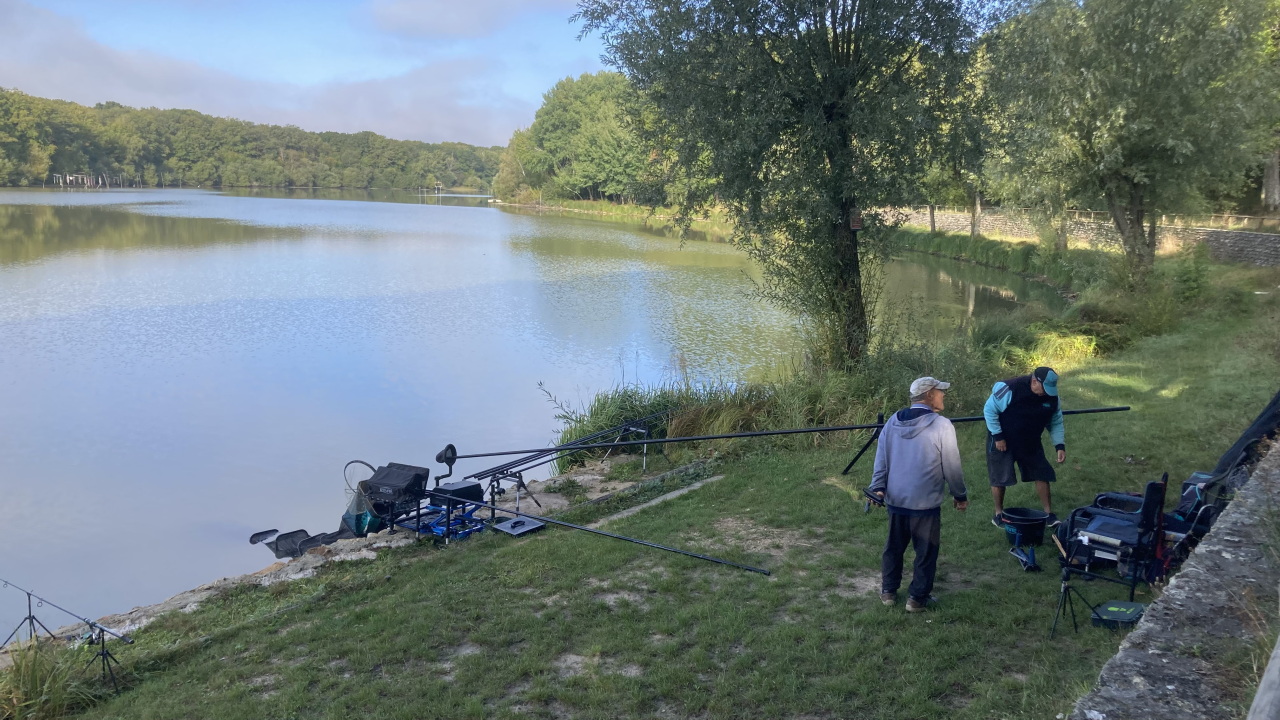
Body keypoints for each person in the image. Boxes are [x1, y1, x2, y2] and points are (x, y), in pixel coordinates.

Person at [869, 376, 968, 613]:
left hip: (896, 500)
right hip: (925, 503)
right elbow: (952, 466)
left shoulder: (893, 421)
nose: (943, 395)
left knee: (893, 547)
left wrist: (877, 487)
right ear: (930, 395)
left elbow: (881, 458)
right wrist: (960, 495)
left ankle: (888, 591)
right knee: (925, 551)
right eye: (940, 391)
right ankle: (916, 598)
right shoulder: (942, 425)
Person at [984, 366, 1066, 527]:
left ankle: (1048, 514)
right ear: (1034, 381)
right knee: (1000, 477)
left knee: (1042, 473)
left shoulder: (1052, 398)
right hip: (1003, 440)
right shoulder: (1010, 388)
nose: (1046, 393)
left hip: (1031, 440)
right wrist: (998, 436)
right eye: (1044, 389)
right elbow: (989, 410)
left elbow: (1056, 422)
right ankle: (998, 514)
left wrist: (1059, 445)